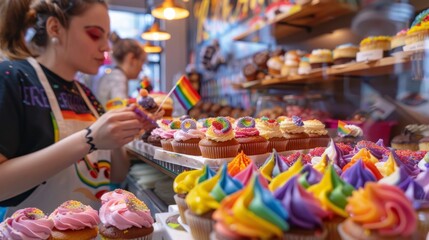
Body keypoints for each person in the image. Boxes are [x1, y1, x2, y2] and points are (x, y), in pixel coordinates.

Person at [0, 0, 158, 218]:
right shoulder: (13, 78)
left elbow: (116, 175)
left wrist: (123, 132)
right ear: (55, 28)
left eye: (106, 37)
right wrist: (89, 139)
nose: (106, 48)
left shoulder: (86, 96)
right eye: (95, 34)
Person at [96, 37, 147, 107]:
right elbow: (121, 110)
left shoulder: (114, 75)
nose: (142, 69)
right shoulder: (118, 78)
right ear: (131, 58)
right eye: (142, 61)